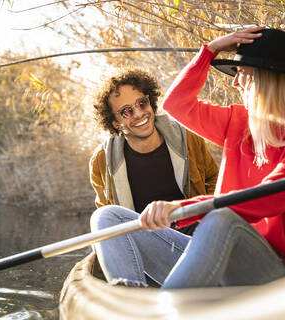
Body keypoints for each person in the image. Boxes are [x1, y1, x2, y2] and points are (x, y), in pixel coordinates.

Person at [91, 27, 285, 289]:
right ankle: (127, 300)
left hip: (269, 272)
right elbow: (176, 105)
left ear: (263, 79)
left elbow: (266, 199)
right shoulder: (239, 123)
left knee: (222, 218)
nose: (234, 82)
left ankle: (165, 310)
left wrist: (181, 208)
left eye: (241, 74)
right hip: (217, 254)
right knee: (108, 218)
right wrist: (210, 50)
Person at [89, 69, 219, 237]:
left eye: (141, 103)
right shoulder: (102, 160)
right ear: (114, 123)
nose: (138, 113)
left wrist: (205, 217)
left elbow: (214, 180)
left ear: (150, 102)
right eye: (126, 111)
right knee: (103, 217)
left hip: (195, 231)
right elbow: (108, 217)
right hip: (145, 240)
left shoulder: (187, 136)